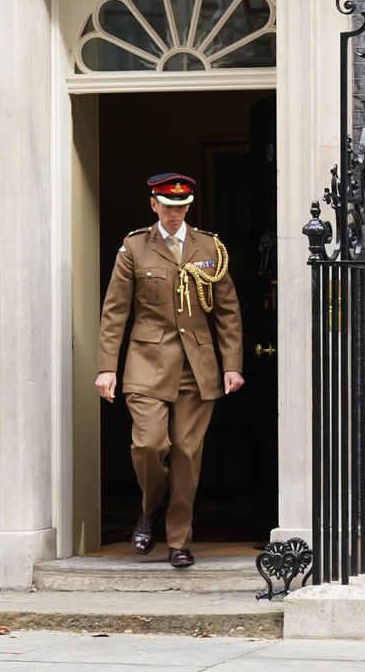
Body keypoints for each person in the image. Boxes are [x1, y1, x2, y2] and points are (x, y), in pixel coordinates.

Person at [95, 173, 244, 568]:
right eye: (167, 206)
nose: (175, 213)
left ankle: (178, 541)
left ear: (189, 206)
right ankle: (150, 509)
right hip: (147, 364)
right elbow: (115, 312)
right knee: (149, 445)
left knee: (186, 455)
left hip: (198, 367)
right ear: (154, 205)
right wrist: (107, 368)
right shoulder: (134, 247)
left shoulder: (209, 247)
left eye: (181, 207)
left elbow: (227, 311)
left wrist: (232, 365)